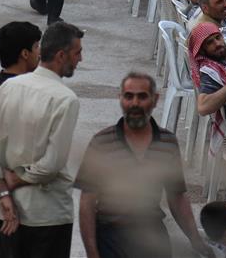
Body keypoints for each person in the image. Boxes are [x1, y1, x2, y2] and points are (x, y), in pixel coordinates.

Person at [0, 22, 84, 257]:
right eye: (77, 53)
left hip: (3, 212)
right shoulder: (65, 99)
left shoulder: (8, 87)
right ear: (61, 55)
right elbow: (51, 165)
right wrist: (14, 180)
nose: (80, 60)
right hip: (46, 215)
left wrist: (3, 191)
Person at [76, 72, 210, 258]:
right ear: (120, 99)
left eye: (142, 96)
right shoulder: (101, 143)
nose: (135, 104)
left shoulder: (167, 143)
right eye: (129, 96)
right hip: (111, 238)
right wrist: (92, 253)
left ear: (155, 100)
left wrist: (195, 239)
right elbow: (87, 203)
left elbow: (177, 197)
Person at [0, 22, 43, 253]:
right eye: (37, 47)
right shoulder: (24, 91)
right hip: (16, 187)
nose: (40, 52)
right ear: (25, 54)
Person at [189, 22, 226, 154]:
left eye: (218, 38)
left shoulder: (221, 60)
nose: (217, 44)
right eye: (210, 43)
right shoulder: (209, 71)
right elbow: (203, 107)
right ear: (202, 50)